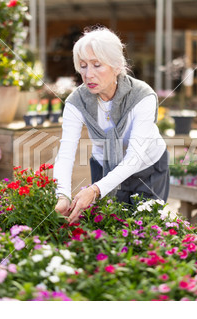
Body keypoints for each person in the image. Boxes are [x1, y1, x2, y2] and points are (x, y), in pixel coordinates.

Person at [54, 27, 169, 223]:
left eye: (97, 65)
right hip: (104, 166)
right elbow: (65, 154)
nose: (88, 74)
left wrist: (95, 190)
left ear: (117, 66)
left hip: (147, 168)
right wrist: (62, 195)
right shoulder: (76, 101)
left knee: (147, 228)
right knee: (110, 227)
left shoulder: (142, 96)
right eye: (83, 66)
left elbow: (134, 157)